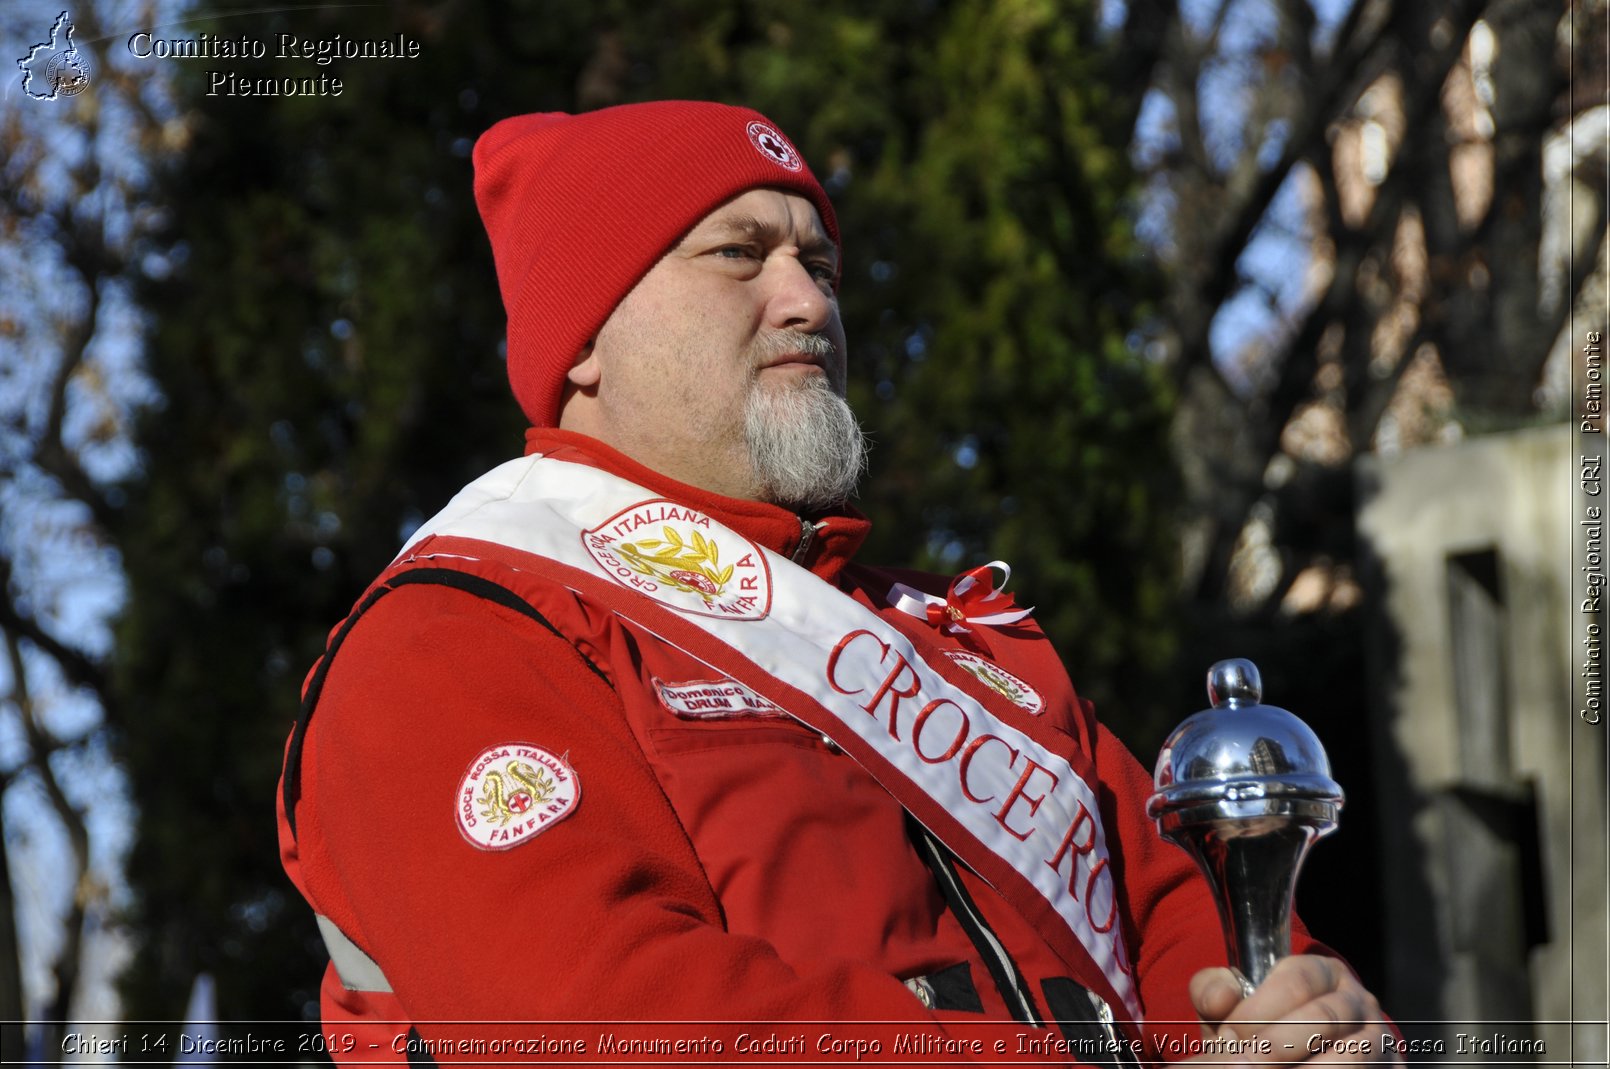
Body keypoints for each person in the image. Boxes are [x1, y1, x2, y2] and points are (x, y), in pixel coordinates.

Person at [277, 100, 1396, 1066]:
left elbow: (1187, 928)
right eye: (737, 254)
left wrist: (1311, 1022)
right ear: (585, 340)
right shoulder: (454, 639)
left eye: (817, 264)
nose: (807, 300)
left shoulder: (972, 645)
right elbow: (610, 1024)